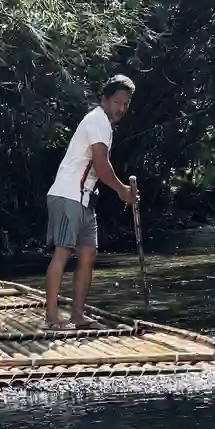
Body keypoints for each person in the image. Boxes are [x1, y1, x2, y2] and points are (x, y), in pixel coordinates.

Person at [45, 74, 137, 329]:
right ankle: (52, 318)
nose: (121, 108)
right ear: (104, 100)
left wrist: (120, 190)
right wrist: (122, 191)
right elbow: (101, 164)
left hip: (85, 198)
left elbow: (98, 168)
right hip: (68, 194)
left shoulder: (105, 125)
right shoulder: (97, 120)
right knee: (63, 252)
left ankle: (77, 316)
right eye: (117, 102)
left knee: (87, 254)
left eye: (126, 104)